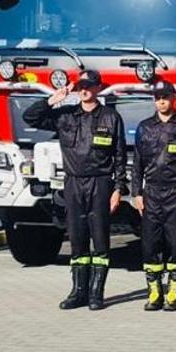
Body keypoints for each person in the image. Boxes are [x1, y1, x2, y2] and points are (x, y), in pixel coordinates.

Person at [22, 70, 126, 311]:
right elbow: (30, 118)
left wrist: (119, 188)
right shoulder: (65, 115)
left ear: (98, 88)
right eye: (80, 86)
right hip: (73, 183)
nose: (84, 90)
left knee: (100, 239)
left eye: (89, 86)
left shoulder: (111, 117)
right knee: (77, 239)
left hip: (100, 183)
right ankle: (78, 292)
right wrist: (52, 99)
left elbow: (119, 156)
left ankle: (96, 293)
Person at [130, 80, 176, 312]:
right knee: (150, 243)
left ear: (174, 99)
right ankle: (154, 291)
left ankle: (174, 292)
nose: (161, 101)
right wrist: (136, 193)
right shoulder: (144, 127)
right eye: (157, 98)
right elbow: (137, 163)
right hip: (151, 193)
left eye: (165, 97)